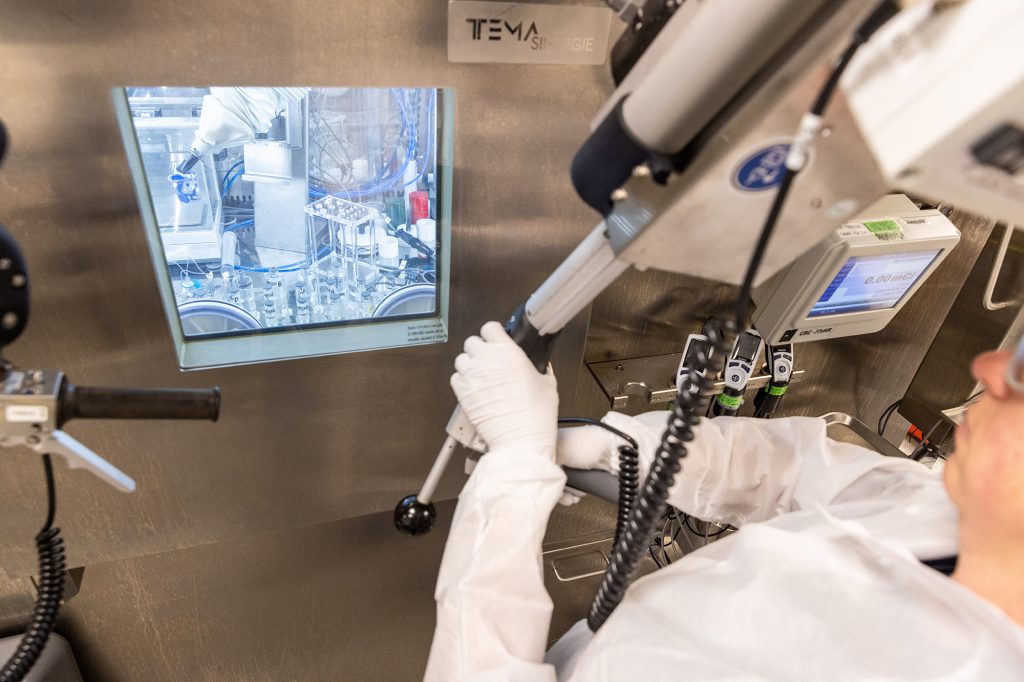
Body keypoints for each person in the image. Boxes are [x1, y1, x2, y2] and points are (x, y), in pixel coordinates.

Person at [423, 322, 1024, 681]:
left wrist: (513, 474)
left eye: (1023, 376)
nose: (991, 367)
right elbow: (790, 466)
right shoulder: (946, 512)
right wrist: (625, 448)